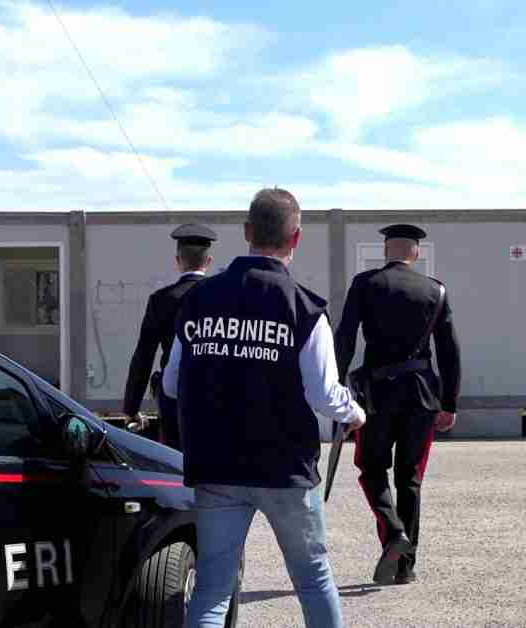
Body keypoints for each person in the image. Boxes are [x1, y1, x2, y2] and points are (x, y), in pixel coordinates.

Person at [163, 188, 365, 628]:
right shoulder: (305, 308)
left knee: (213, 588)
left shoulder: (197, 300)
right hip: (285, 469)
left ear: (247, 232)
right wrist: (353, 413)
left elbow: (171, 383)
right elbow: (323, 394)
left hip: (216, 466)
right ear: (297, 238)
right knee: (312, 578)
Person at [335, 224, 462, 586]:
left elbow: (345, 338)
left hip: (377, 395)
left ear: (386, 250)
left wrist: (336, 389)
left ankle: (393, 533)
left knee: (371, 468)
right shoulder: (436, 290)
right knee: (410, 478)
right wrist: (449, 403)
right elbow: (449, 351)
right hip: (422, 396)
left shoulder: (365, 284)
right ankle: (406, 566)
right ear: (416, 253)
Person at [121, 224, 216, 449]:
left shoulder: (161, 300)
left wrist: (131, 408)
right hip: (214, 395)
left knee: (174, 458)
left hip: (173, 398)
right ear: (209, 261)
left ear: (178, 261)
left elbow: (144, 356)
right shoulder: (221, 298)